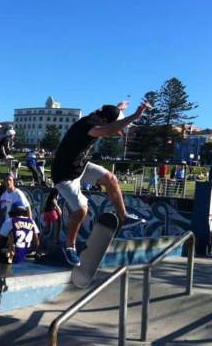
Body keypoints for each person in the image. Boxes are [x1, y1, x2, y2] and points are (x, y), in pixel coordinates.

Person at [51, 100, 151, 265]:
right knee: (81, 210)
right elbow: (108, 129)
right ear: (104, 121)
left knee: (111, 179)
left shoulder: (99, 116)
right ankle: (69, 246)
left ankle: (123, 216)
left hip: (80, 166)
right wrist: (135, 115)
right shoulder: (88, 127)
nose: (115, 133)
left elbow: (111, 115)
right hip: (65, 176)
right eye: (114, 128)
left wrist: (119, 108)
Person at [0, 202, 39, 286]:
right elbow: (36, 243)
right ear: (24, 211)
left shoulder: (10, 221)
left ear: (13, 211)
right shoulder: (32, 222)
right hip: (23, 256)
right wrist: (25, 251)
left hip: (10, 256)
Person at [0, 173, 31, 239]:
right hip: (7, 222)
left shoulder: (18, 193)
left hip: (17, 223)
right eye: (6, 180)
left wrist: (29, 222)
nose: (8, 182)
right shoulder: (4, 195)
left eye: (10, 180)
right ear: (4, 182)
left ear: (13, 181)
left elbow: (28, 207)